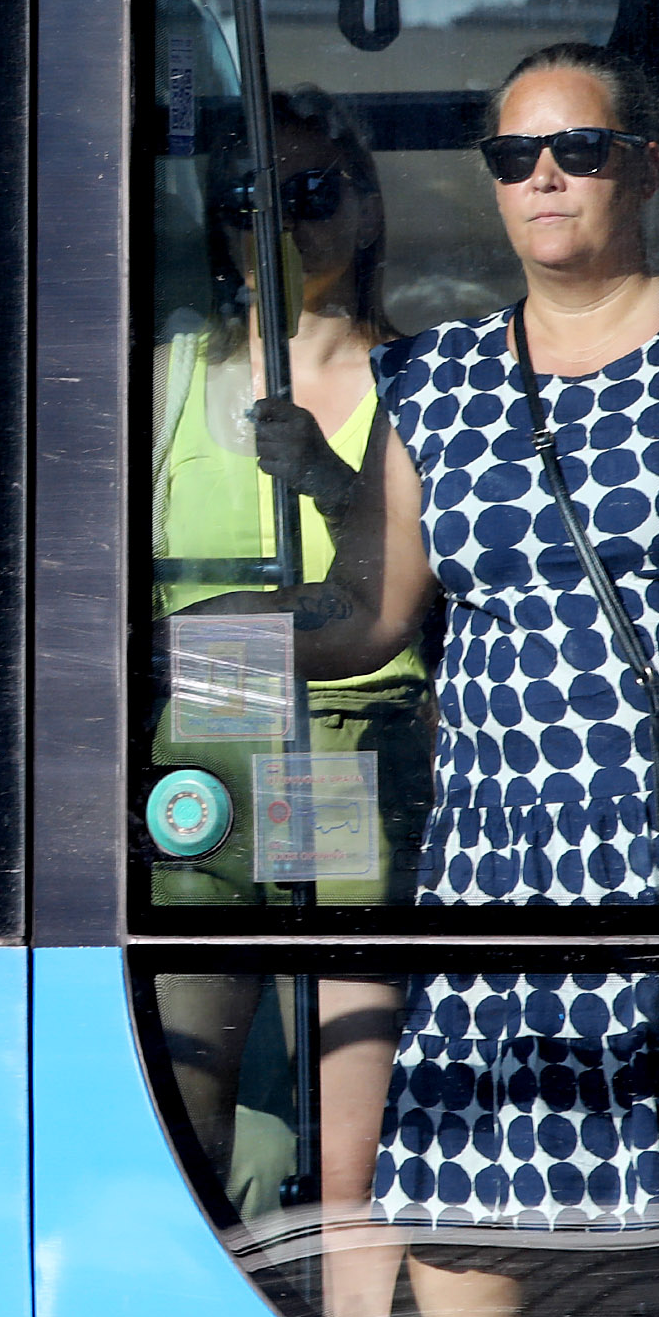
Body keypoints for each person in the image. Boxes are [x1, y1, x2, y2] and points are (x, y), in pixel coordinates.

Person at [253, 43, 659, 1317]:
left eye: (578, 149)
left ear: (646, 163)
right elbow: (370, 616)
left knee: (651, 1247)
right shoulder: (434, 382)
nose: (544, 177)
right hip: (499, 871)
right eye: (514, 157)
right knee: (467, 1237)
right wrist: (164, 658)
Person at [146, 88, 427, 1192]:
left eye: (305, 195)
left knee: (351, 1120)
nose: (273, 223)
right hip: (208, 736)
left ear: (363, 208)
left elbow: (421, 587)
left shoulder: (415, 383)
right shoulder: (168, 375)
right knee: (185, 1095)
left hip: (350, 737)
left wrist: (323, 475)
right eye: (243, 200)